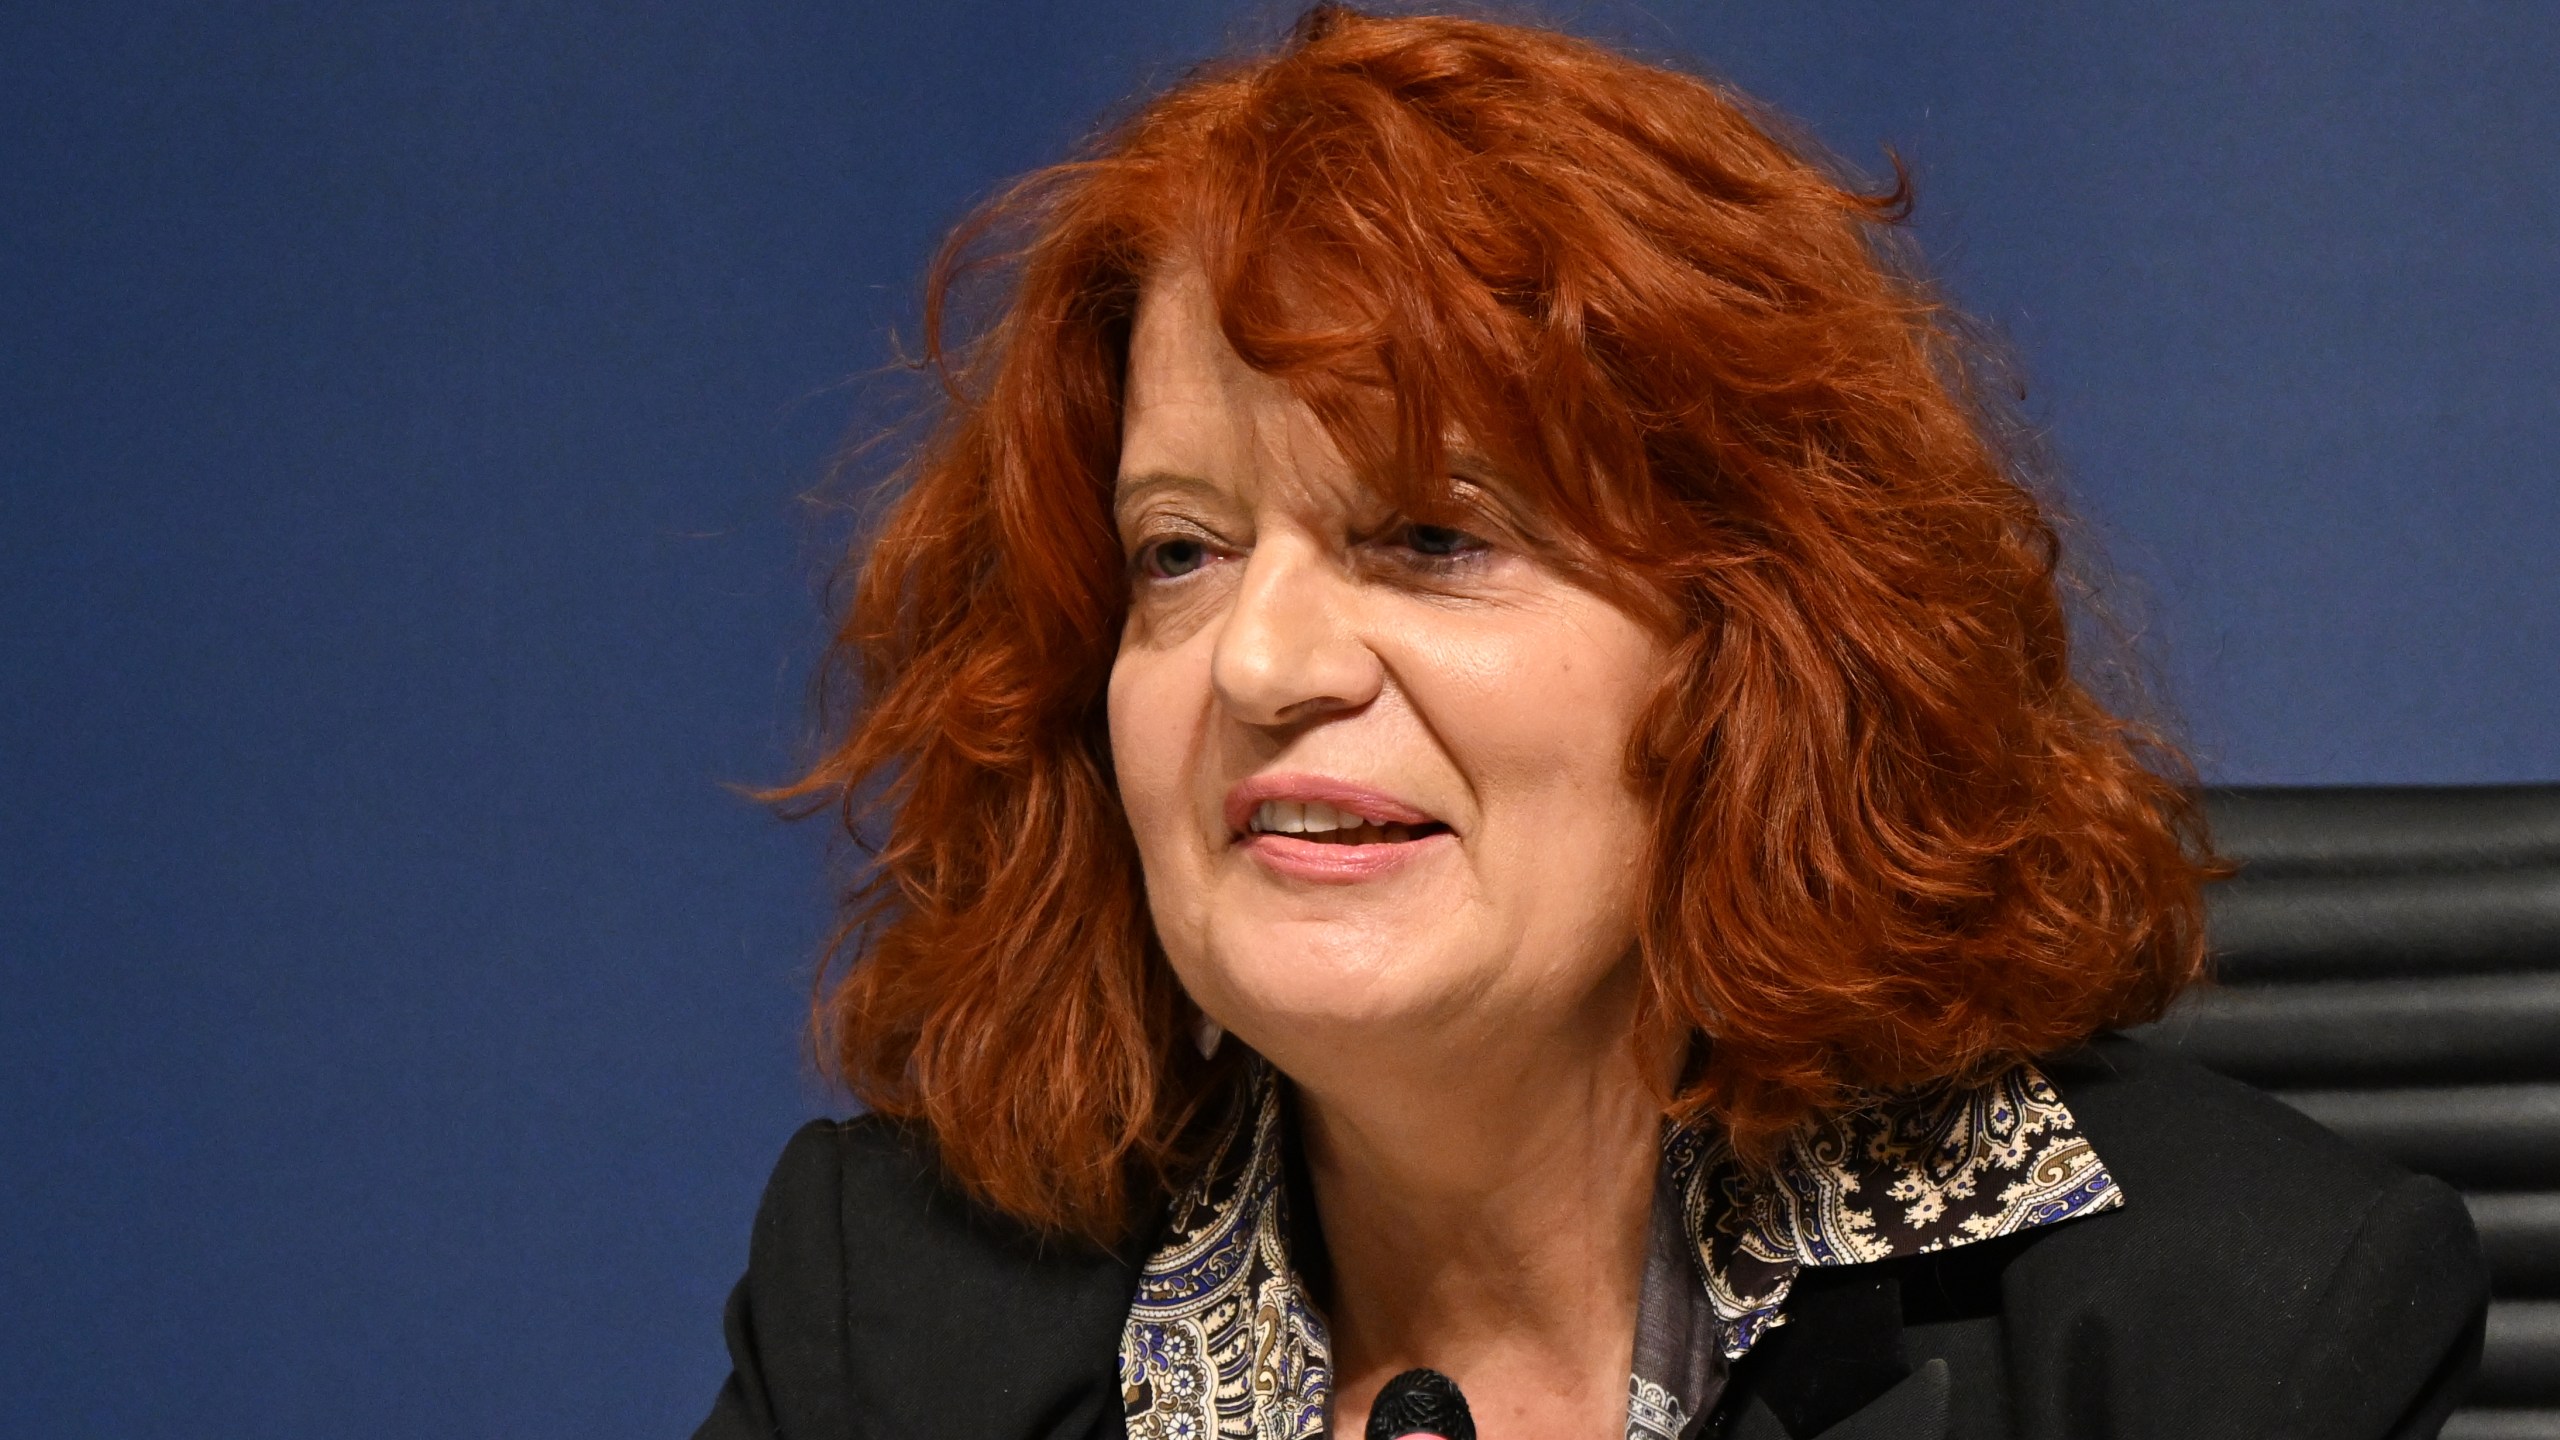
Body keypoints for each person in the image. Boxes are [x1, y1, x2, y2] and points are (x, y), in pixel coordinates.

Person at [695, 9, 2488, 1438]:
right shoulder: (896, 1314)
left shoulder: (2215, 1336)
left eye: (1432, 537)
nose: (1259, 662)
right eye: (1180, 551)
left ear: (1759, 654)